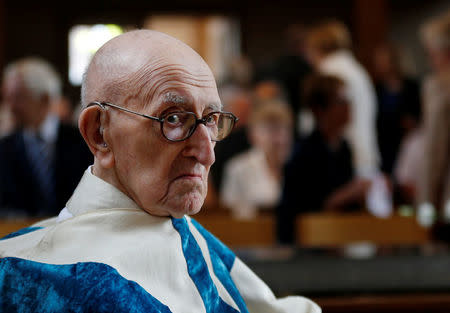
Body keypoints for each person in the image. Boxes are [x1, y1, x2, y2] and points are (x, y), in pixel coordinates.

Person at [0, 30, 320, 313]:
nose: (206, 153)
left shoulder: (178, 225)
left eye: (210, 120)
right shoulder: (27, 275)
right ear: (100, 132)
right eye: (173, 119)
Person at [277, 74, 371, 244]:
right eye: (341, 101)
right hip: (309, 246)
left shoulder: (344, 148)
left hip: (340, 240)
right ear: (319, 110)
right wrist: (350, 193)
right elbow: (304, 210)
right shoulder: (304, 153)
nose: (349, 107)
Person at [0, 58, 92, 217]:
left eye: (18, 97)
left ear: (44, 99)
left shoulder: (83, 140)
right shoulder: (5, 147)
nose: (11, 107)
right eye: (8, 98)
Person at [306, 20, 380, 178]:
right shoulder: (358, 70)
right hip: (365, 155)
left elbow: (317, 122)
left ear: (317, 48)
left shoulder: (328, 73)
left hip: (342, 160)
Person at [221, 99, 293, 219]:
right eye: (271, 130)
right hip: (250, 234)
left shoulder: (300, 166)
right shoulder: (238, 168)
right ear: (253, 135)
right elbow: (229, 215)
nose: (279, 138)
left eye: (284, 129)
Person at [418, 11, 450, 217]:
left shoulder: (440, 87)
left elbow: (435, 150)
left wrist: (427, 203)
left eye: (431, 55)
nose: (431, 63)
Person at [373, 42, 421, 175]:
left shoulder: (412, 86)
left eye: (384, 61)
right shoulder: (376, 90)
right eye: (378, 62)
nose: (380, 65)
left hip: (410, 143)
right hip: (387, 145)